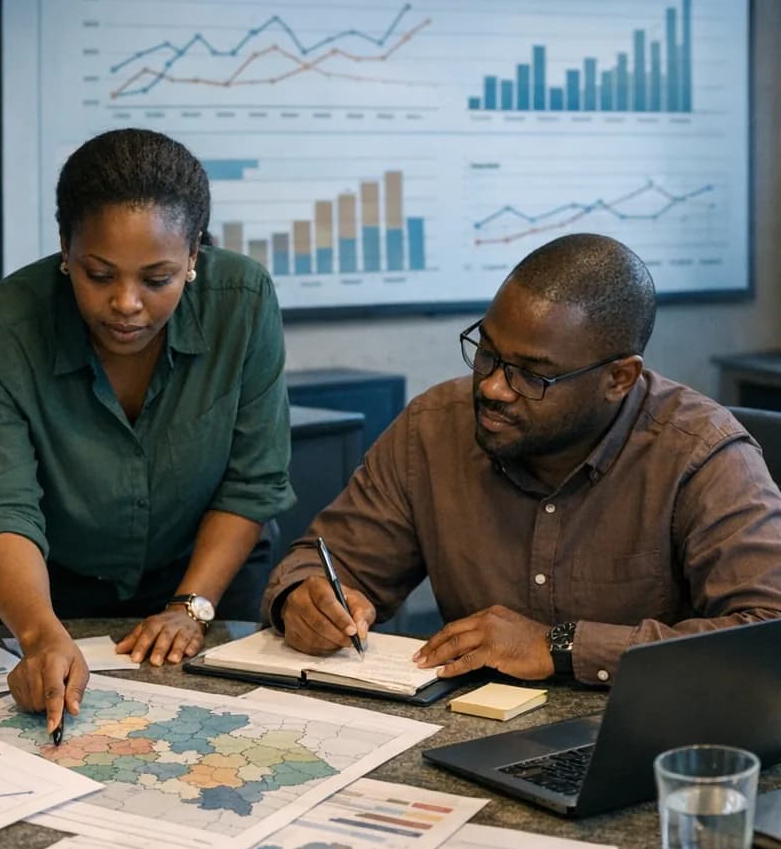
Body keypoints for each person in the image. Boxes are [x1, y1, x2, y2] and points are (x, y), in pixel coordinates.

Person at [266, 233, 781, 684]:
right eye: (488, 353)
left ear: (618, 379)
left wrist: (559, 647)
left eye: (533, 375)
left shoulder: (703, 455)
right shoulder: (434, 428)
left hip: (645, 741)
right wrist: (304, 603)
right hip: (468, 732)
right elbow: (327, 563)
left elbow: (766, 634)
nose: (493, 387)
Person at [0, 128, 294, 732]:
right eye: (99, 275)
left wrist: (191, 606)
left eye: (156, 279)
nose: (126, 303)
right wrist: (39, 633)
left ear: (193, 257)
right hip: (53, 592)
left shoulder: (243, 301)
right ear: (65, 247)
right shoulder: (6, 325)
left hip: (207, 583)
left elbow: (250, 481)